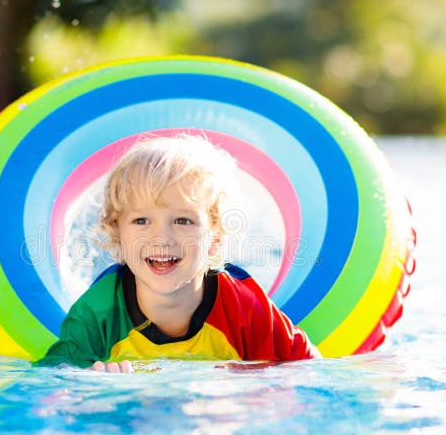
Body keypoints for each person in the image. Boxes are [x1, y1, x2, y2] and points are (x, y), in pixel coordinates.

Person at [37, 133, 320, 373]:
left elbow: (309, 372)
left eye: (183, 221)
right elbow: (55, 381)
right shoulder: (98, 313)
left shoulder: (244, 307)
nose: (162, 237)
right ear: (118, 235)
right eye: (141, 221)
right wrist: (95, 388)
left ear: (215, 237)